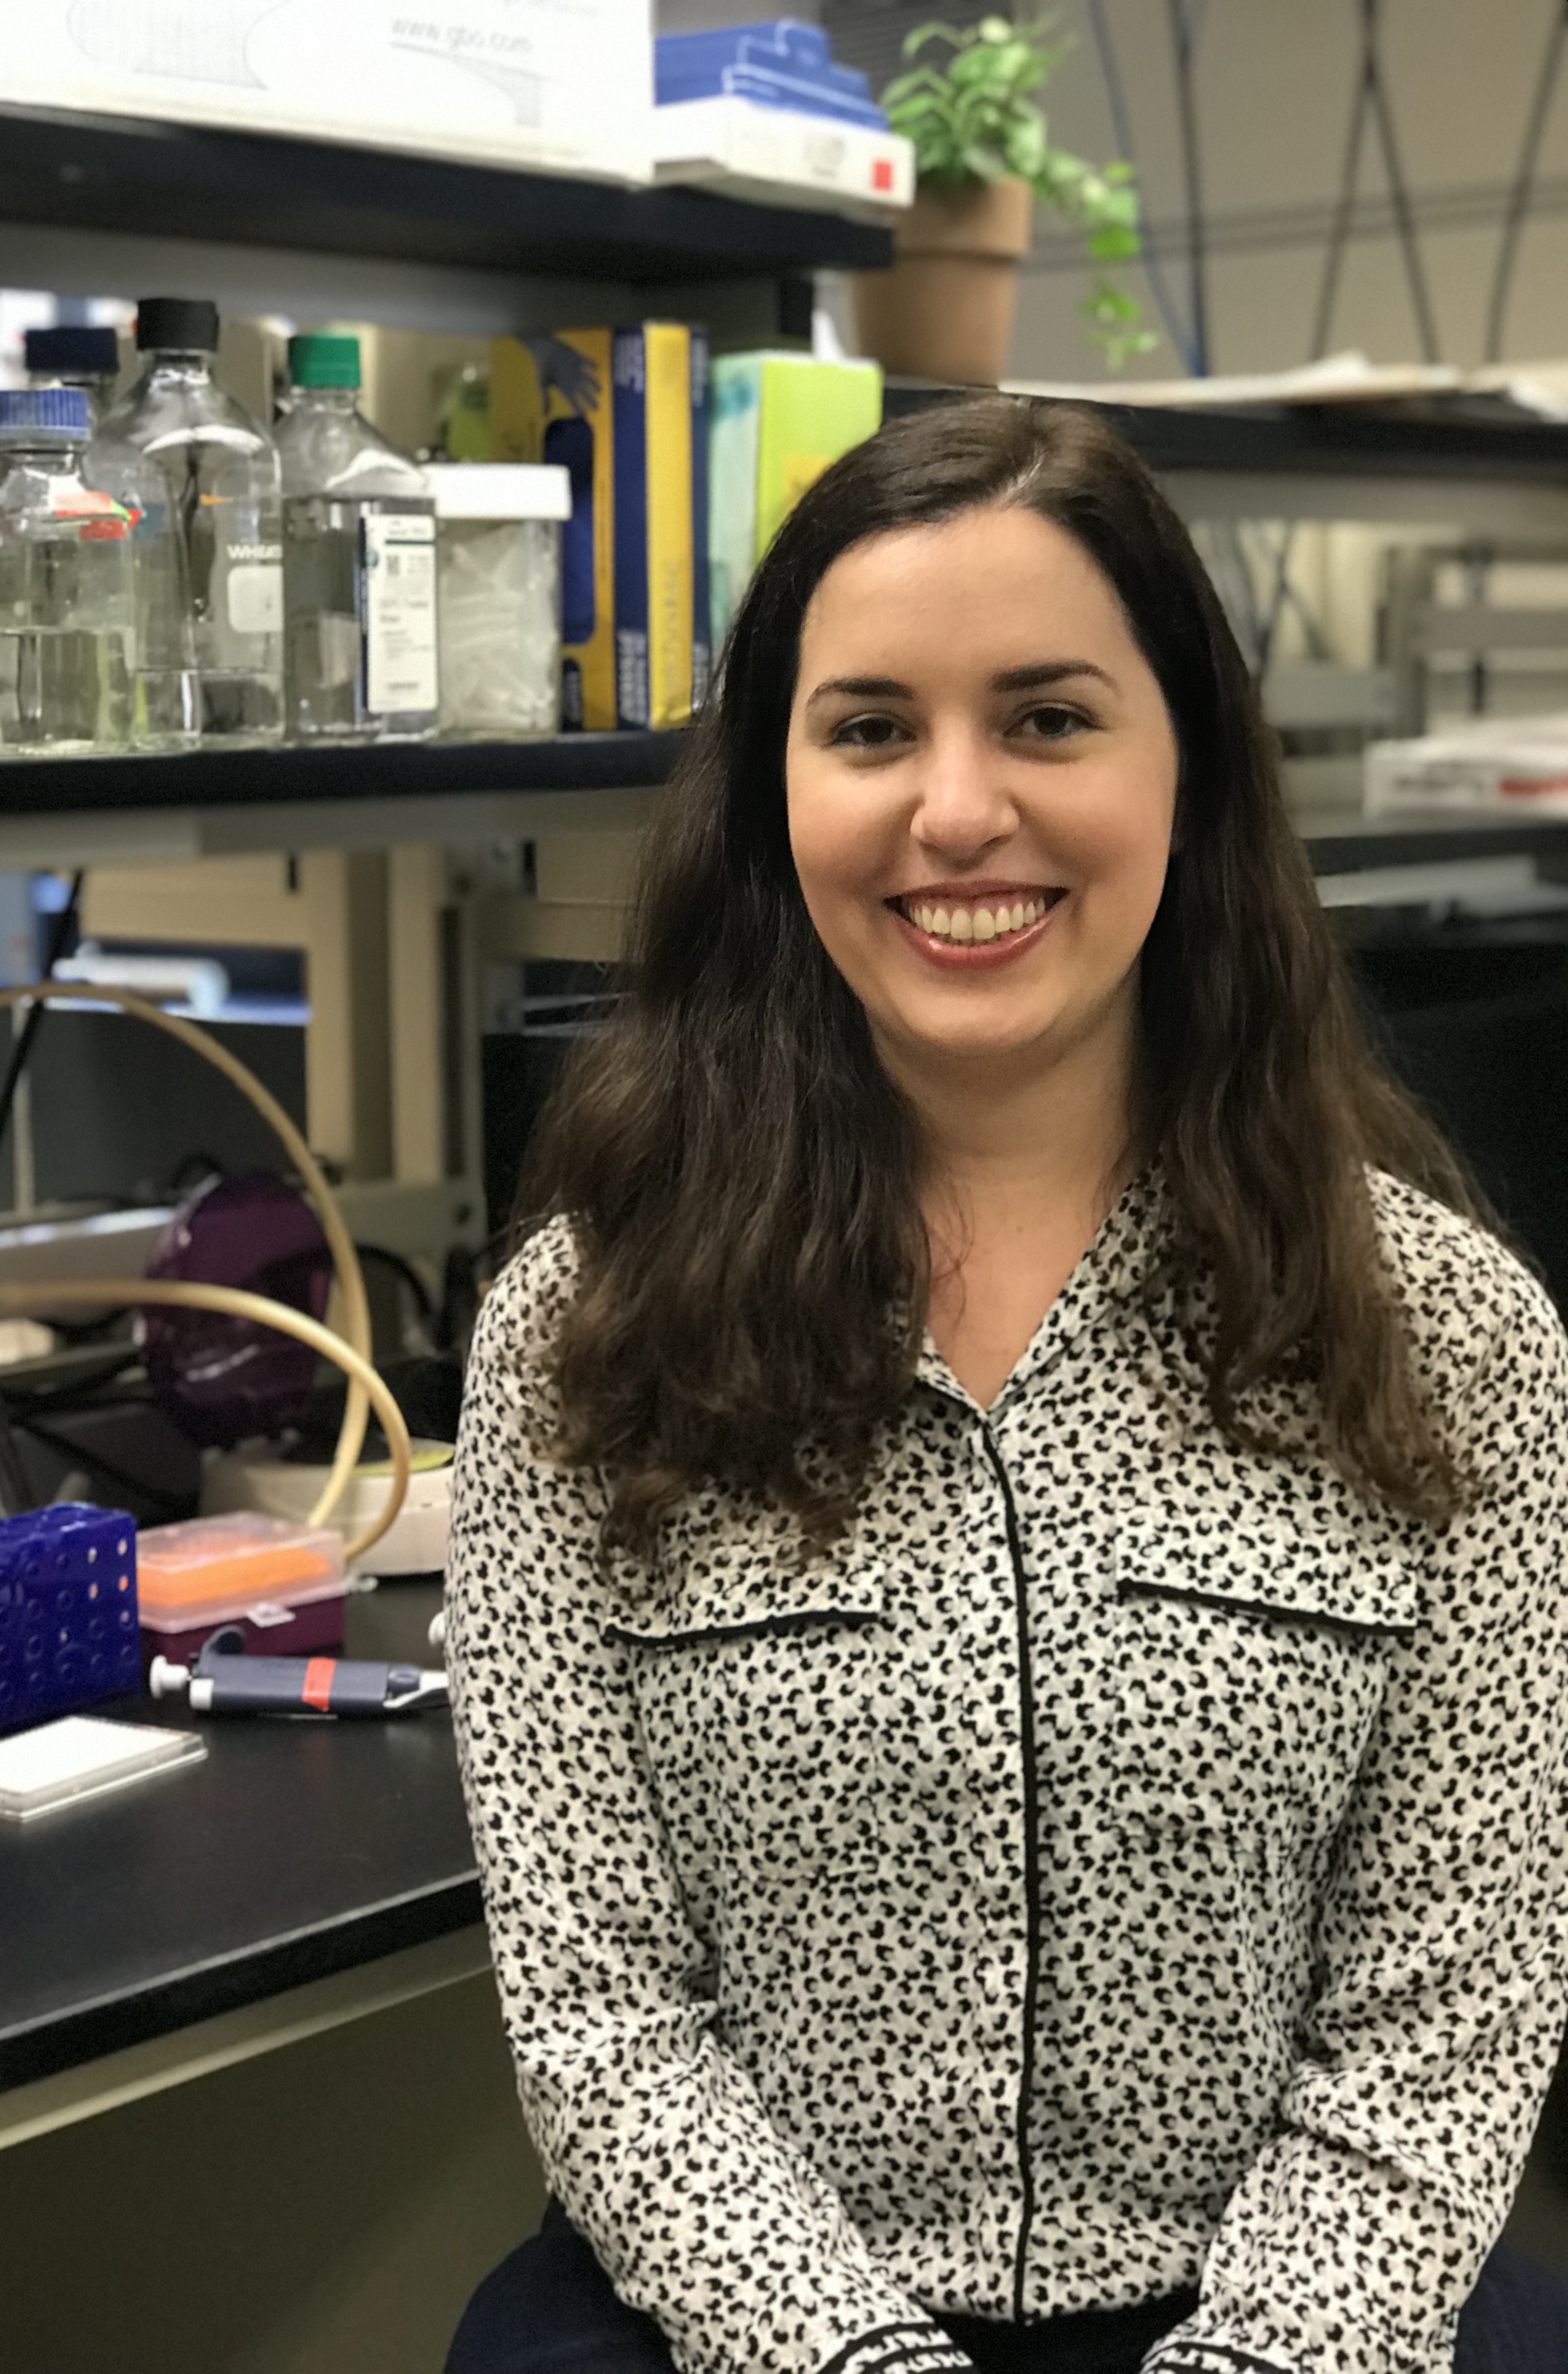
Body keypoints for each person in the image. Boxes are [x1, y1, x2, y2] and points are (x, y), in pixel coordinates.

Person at [442, 396, 1568, 2374]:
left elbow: (1445, 2010)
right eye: (871, 727)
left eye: (1048, 718)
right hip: (754, 2326)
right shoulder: (585, 1336)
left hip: (1296, 2317)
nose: (956, 811)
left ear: (1191, 774)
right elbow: (603, 2007)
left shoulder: (1447, 1341)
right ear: (775, 786)